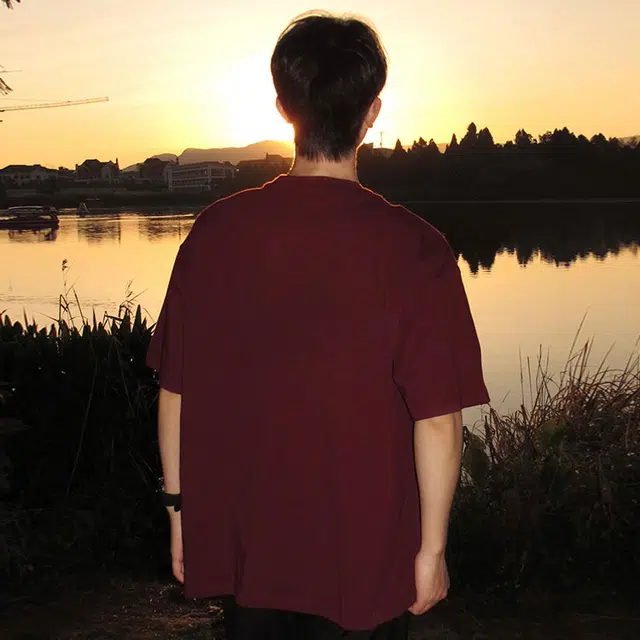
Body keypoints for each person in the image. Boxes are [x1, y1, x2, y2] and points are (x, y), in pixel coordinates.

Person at [147, 11, 489, 640]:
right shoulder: (416, 247)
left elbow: (176, 390)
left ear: (284, 108)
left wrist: (178, 515)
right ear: (372, 112)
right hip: (369, 555)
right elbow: (438, 419)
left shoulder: (215, 233)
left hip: (252, 548)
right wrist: (432, 552)